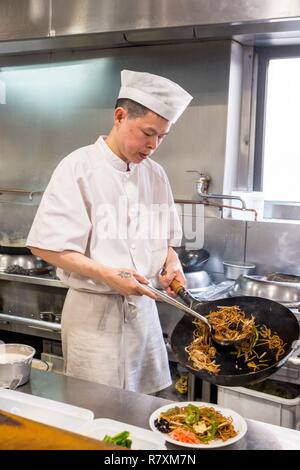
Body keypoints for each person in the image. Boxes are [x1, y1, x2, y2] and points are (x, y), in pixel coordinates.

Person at [26, 69, 193, 394]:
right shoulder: (78, 168)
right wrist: (105, 273)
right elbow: (46, 247)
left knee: (147, 412)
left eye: (162, 136)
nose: (154, 145)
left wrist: (171, 262)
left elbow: (166, 242)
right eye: (148, 133)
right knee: (97, 414)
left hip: (144, 316)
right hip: (93, 320)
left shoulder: (155, 175)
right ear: (119, 116)